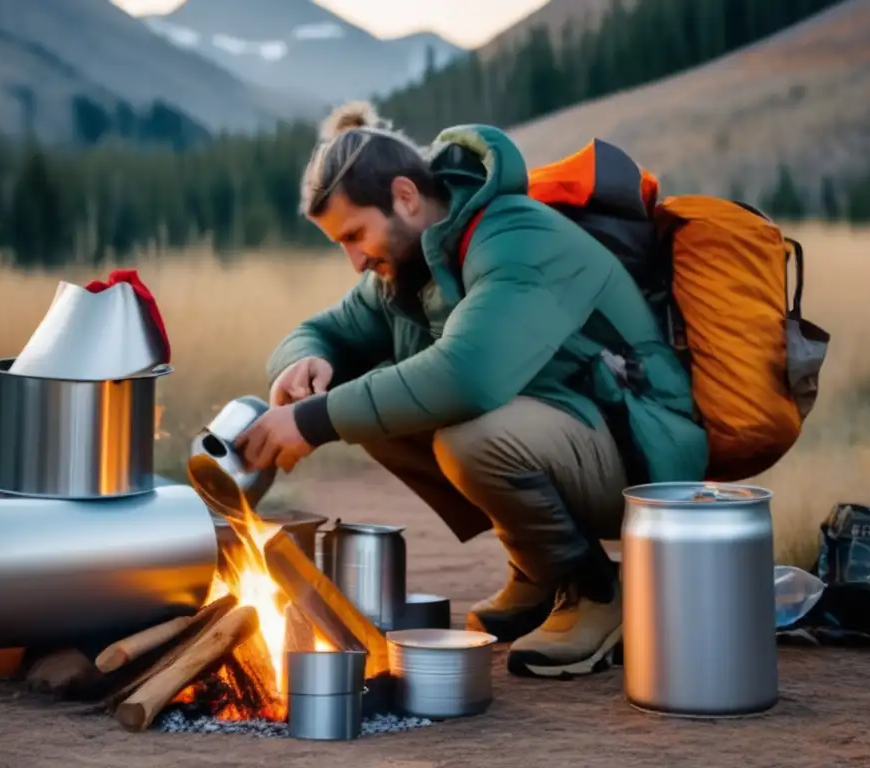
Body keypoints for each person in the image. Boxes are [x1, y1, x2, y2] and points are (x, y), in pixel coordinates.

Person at [235, 101, 707, 678]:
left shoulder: (515, 238)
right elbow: (322, 330)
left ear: (405, 196)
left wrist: (309, 421)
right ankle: (540, 572)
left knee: (468, 436)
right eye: (341, 243)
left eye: (356, 234)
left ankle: (596, 592)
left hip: (645, 449)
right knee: (368, 393)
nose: (355, 260)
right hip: (576, 426)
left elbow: (468, 375)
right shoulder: (409, 269)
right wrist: (302, 360)